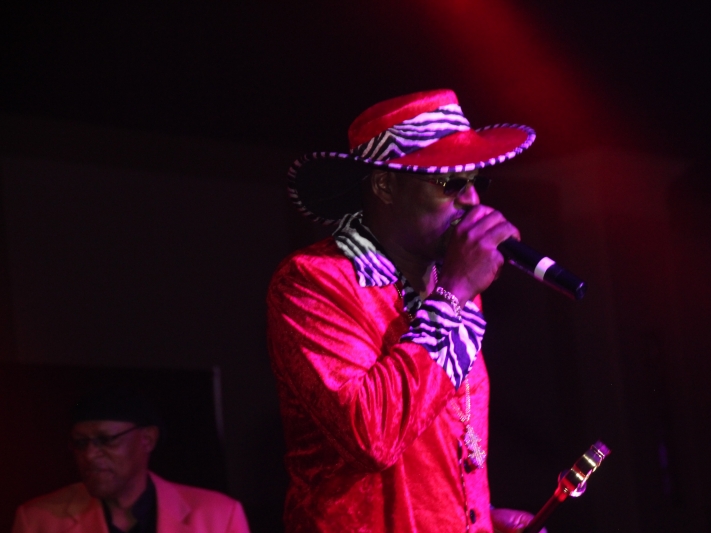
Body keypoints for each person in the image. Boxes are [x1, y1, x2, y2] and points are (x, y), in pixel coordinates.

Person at [267, 89, 543, 532]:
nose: (473, 201)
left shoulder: (453, 289)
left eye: (477, 182)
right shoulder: (313, 281)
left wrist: (478, 521)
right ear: (385, 186)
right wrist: (455, 292)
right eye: (451, 184)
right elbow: (373, 437)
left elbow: (431, 462)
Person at [12, 387, 250, 533]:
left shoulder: (218, 516)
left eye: (106, 440)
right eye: (81, 443)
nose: (89, 455)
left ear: (147, 439)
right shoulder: (37, 520)